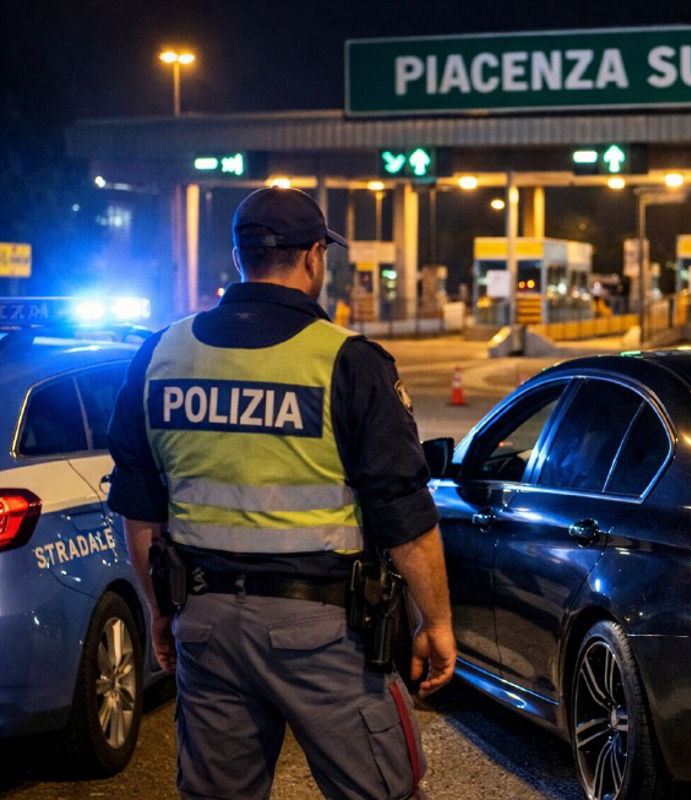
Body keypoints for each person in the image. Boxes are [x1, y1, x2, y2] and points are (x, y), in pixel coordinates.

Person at [107, 186, 455, 800]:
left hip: (206, 624)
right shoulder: (347, 361)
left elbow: (140, 507)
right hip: (321, 632)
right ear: (314, 256)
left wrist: (162, 610)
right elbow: (403, 512)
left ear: (239, 255)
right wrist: (438, 621)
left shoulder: (160, 354)